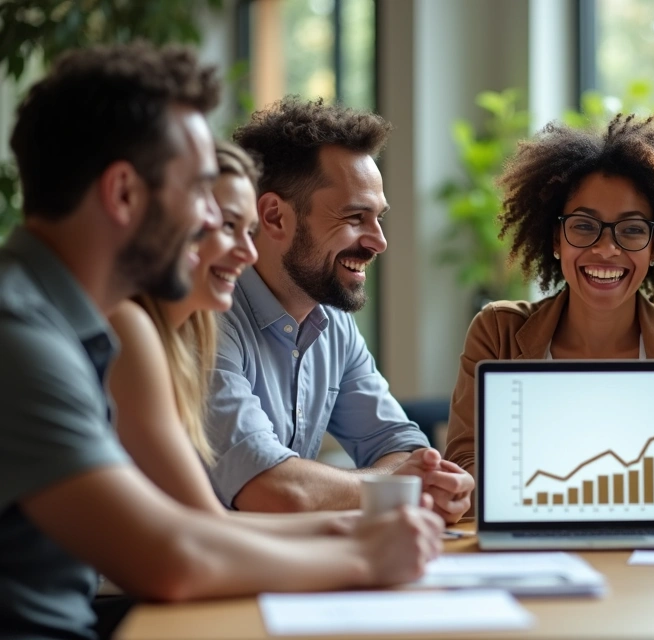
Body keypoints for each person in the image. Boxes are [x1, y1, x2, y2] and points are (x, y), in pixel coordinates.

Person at [0, 44, 441, 640]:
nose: (215, 222)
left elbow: (196, 528)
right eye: (198, 191)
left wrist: (354, 531)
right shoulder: (21, 339)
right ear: (124, 194)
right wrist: (364, 555)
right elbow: (170, 559)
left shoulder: (70, 322)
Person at [444, 113, 654, 503]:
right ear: (556, 239)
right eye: (584, 226)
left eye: (632, 229)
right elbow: (464, 467)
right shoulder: (497, 331)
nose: (606, 249)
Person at [206, 97, 474, 522]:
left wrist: (412, 480)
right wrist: (396, 485)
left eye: (379, 218)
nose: (378, 241)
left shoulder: (333, 324)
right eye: (355, 217)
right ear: (274, 217)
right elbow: (277, 492)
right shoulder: (207, 320)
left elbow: (406, 449)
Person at [108, 141, 360, 536]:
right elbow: (202, 535)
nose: (248, 252)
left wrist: (354, 531)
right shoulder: (131, 329)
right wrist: (360, 542)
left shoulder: (188, 333)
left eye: (250, 231)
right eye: (224, 225)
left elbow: (211, 524)